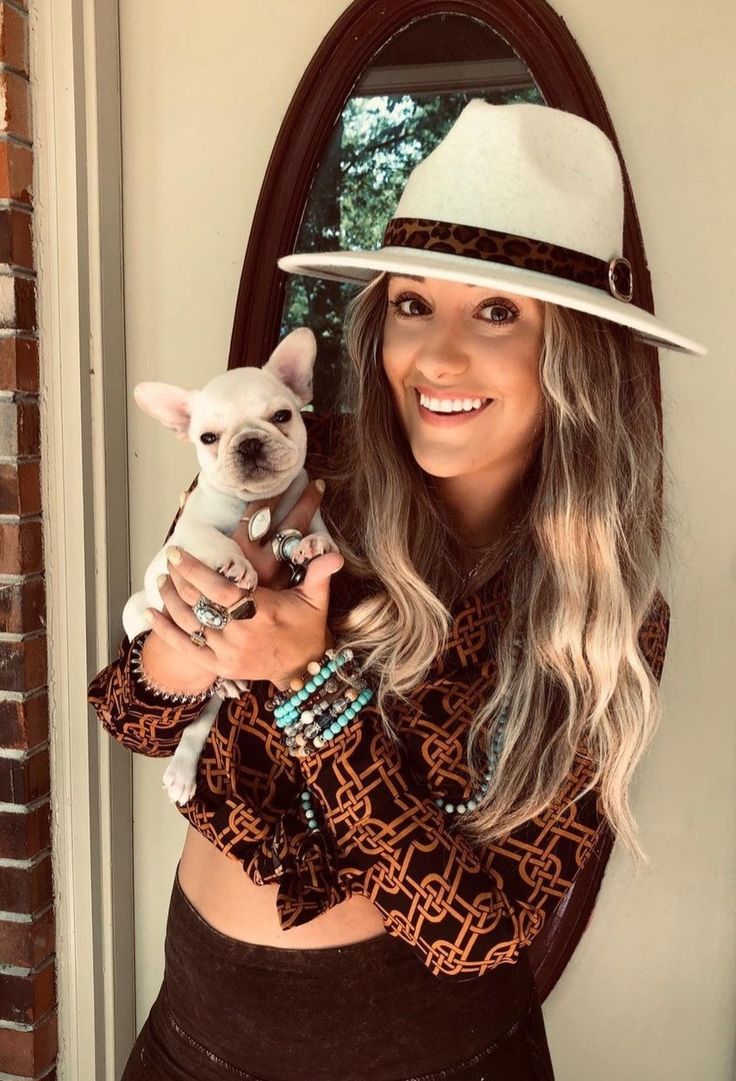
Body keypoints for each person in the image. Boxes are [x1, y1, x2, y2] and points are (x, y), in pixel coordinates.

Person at [87, 101, 705, 1081]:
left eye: (495, 311)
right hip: (188, 1042)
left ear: (577, 353)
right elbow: (134, 718)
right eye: (412, 304)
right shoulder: (298, 471)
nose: (436, 356)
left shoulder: (604, 619)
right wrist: (186, 631)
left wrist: (307, 681)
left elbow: (470, 929)